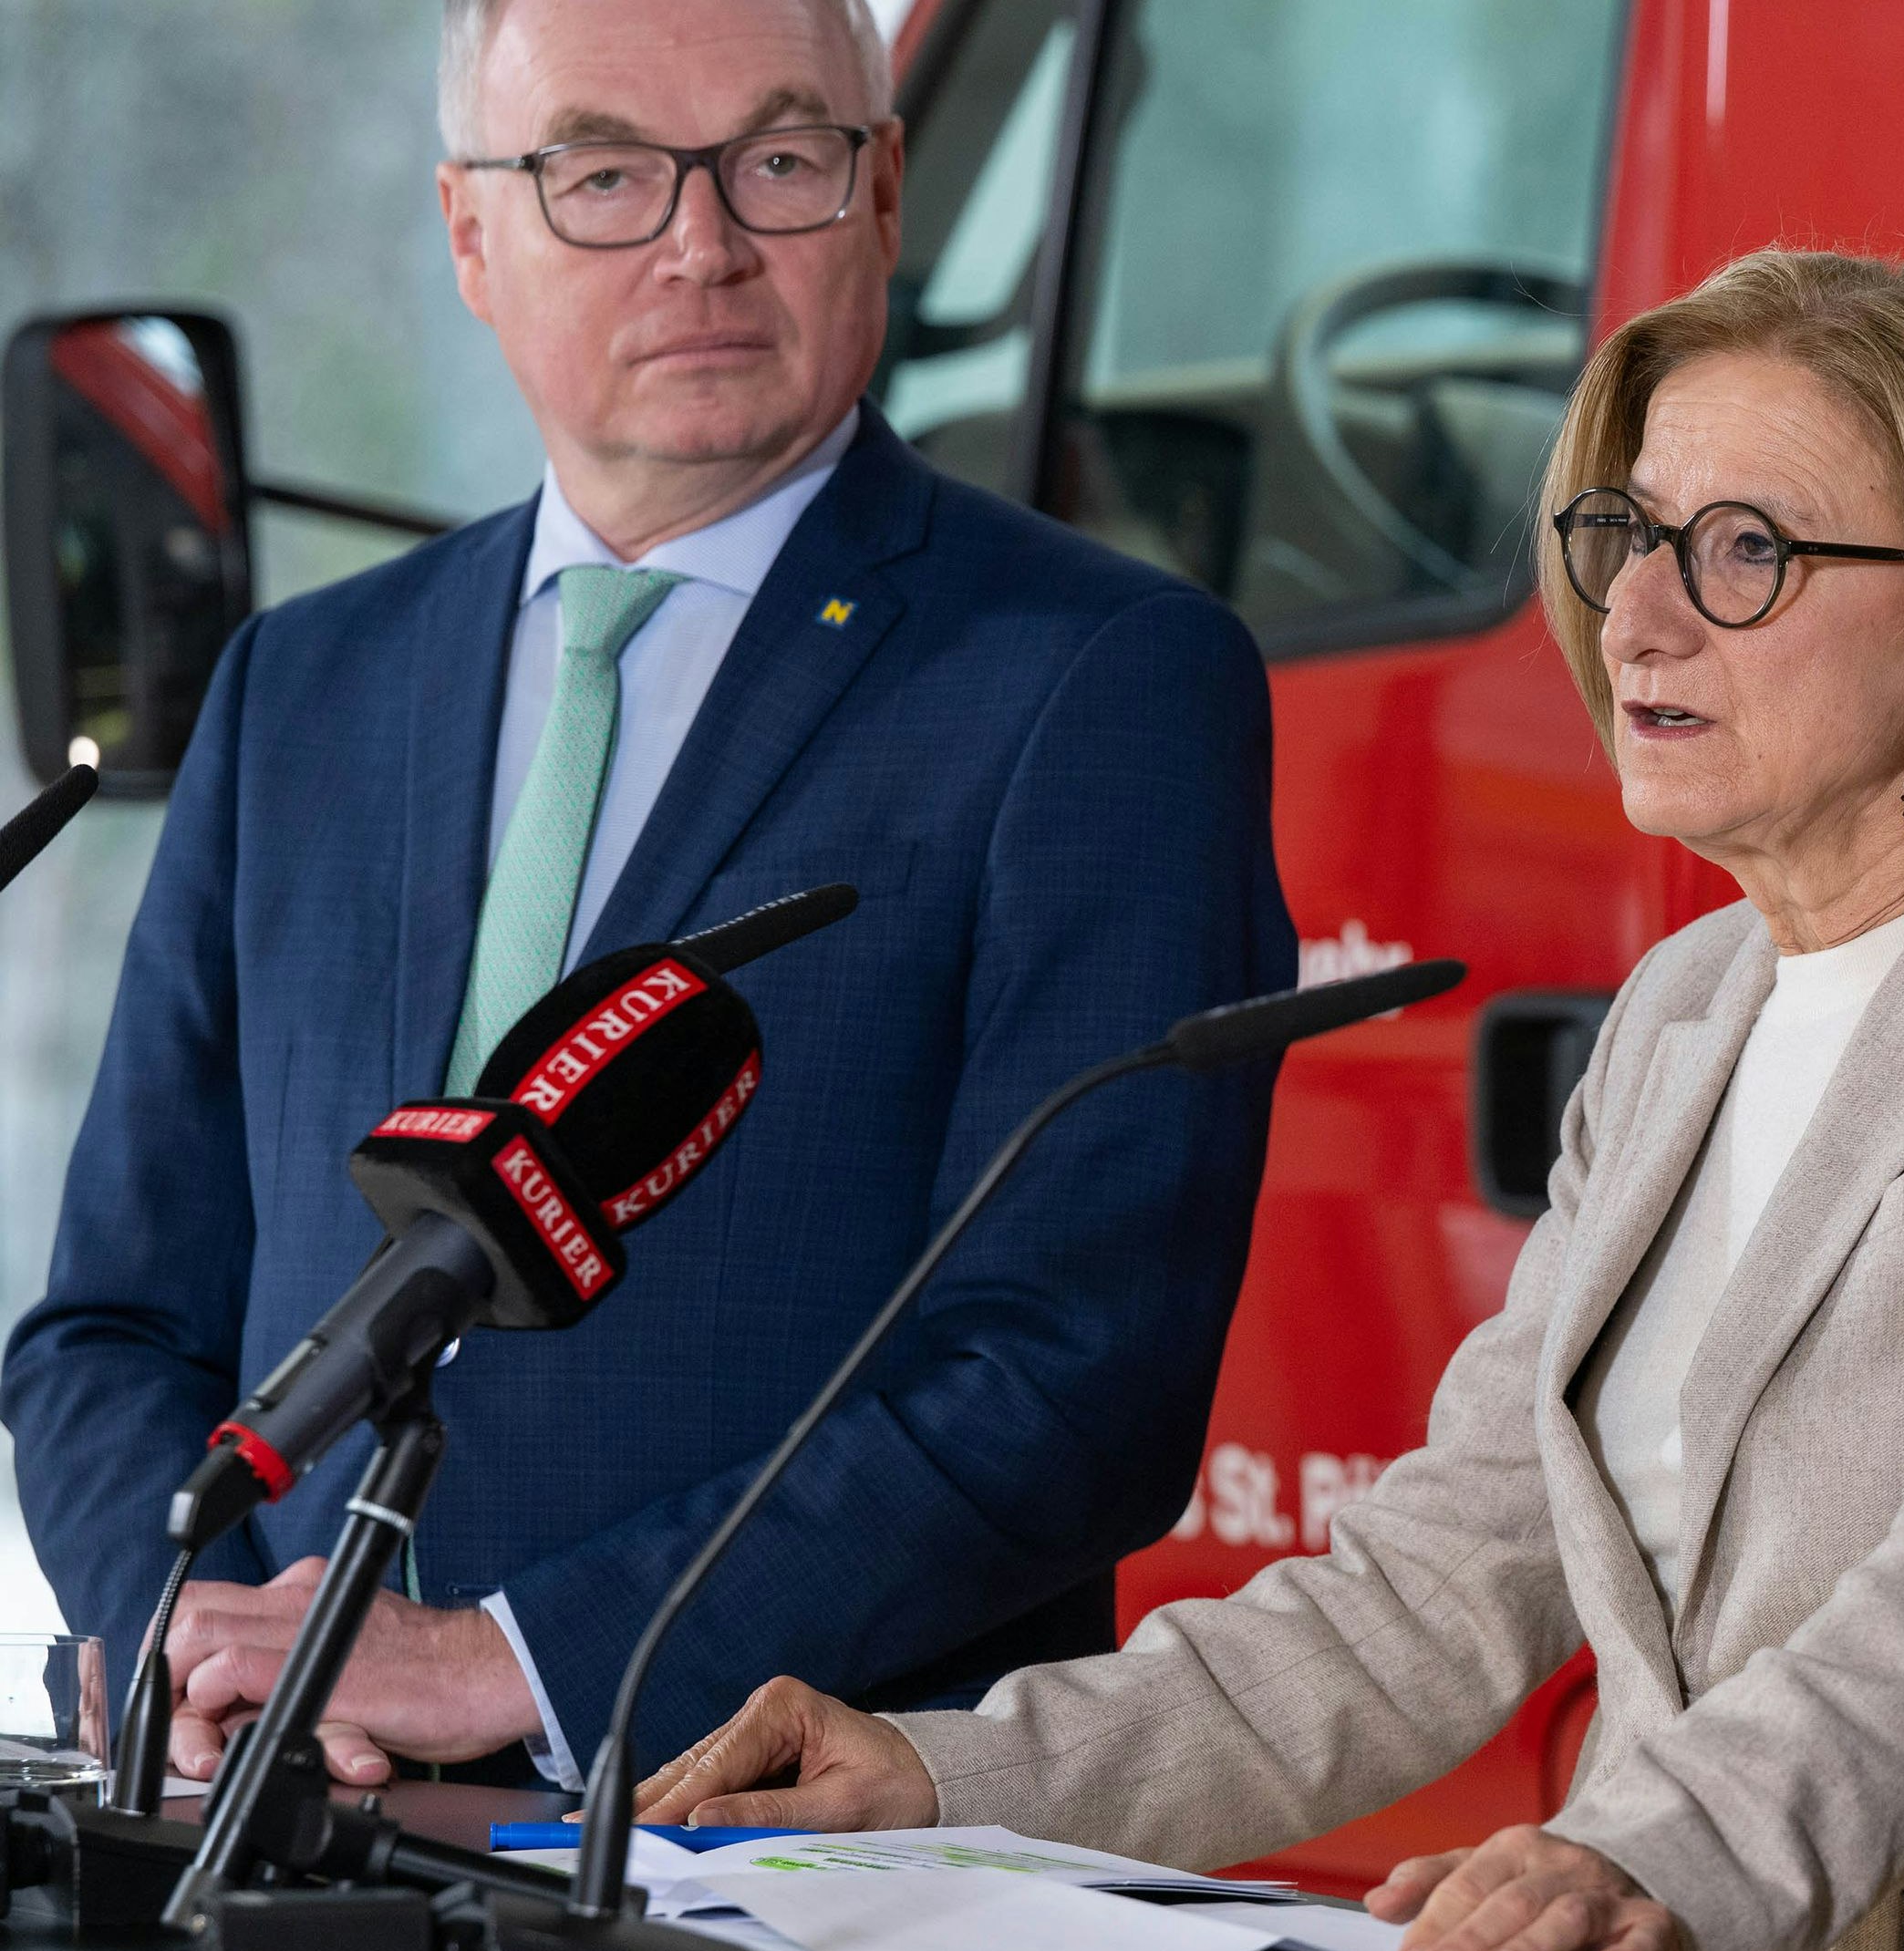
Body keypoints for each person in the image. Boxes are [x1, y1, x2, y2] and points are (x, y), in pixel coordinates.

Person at [626, 250, 1904, 1951]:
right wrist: (951, 1778)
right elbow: (1443, 1578)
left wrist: (1647, 1851)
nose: (1637, 620)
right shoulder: (1687, 1002)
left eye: (1746, 552)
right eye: (1626, 535)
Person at [0, 0, 1288, 1794]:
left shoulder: (1098, 681)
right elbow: (111, 1325)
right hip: (277, 1825)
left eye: (777, 162)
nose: (703, 244)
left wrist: (508, 1663)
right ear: (470, 232)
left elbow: (1074, 1377)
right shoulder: (300, 688)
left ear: (885, 189)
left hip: (771, 1845)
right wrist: (187, 1647)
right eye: (604, 173)